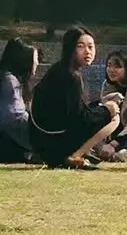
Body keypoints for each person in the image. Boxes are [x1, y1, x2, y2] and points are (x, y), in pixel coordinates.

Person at [29, 26, 118, 169]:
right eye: (80, 46)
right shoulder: (71, 77)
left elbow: (72, 109)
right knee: (114, 116)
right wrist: (107, 110)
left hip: (42, 142)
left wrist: (100, 103)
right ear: (70, 48)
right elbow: (80, 119)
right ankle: (75, 155)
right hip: (54, 143)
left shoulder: (59, 69)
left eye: (91, 47)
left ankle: (76, 154)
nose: (87, 51)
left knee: (105, 109)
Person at [0, 37, 37, 162]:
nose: (36, 64)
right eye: (35, 60)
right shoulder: (9, 81)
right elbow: (13, 118)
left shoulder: (9, 79)